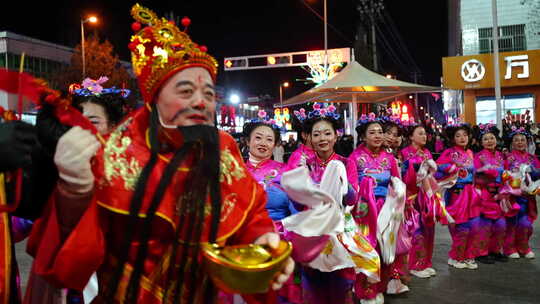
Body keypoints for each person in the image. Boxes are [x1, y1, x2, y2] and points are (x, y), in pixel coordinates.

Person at [28, 4, 293, 304]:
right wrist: (74, 193)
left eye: (208, 94)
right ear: (155, 100)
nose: (200, 102)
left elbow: (249, 214)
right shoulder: (115, 154)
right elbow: (72, 261)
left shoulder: (221, 148)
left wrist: (262, 241)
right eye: (185, 91)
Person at [24, 77, 133, 304]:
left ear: (114, 127)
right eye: (76, 121)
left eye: (93, 121)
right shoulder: (61, 168)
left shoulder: (128, 176)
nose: (82, 129)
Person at [348, 113, 403, 304]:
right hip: (364, 210)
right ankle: (366, 291)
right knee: (367, 249)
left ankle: (382, 286)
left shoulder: (389, 157)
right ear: (363, 136)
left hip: (387, 209)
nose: (378, 135)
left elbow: (397, 183)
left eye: (380, 132)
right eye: (372, 132)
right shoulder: (355, 157)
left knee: (385, 248)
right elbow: (352, 186)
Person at [436, 123, 480, 270]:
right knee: (461, 227)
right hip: (456, 194)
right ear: (453, 139)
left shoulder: (470, 153)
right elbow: (437, 170)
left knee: (474, 226)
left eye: (465, 135)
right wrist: (449, 168)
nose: (462, 138)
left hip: (471, 193)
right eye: (458, 136)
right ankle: (456, 256)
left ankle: (469, 255)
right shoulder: (448, 153)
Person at [401, 124, 440, 278]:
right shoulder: (404, 153)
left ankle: (425, 262)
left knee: (428, 229)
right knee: (416, 231)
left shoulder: (427, 153)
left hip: (427, 196)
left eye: (425, 134)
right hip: (412, 197)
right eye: (421, 133)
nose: (424, 136)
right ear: (411, 136)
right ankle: (415, 265)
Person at [473, 124, 508, 264]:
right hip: (485, 195)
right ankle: (481, 252)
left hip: (500, 195)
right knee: (485, 225)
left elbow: (506, 174)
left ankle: (496, 250)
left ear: (496, 140)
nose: (489, 141)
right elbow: (476, 176)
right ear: (481, 142)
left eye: (491, 138)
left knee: (500, 225)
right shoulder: (478, 156)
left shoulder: (501, 156)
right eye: (486, 139)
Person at [503, 127, 539, 259]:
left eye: (522, 140)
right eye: (516, 140)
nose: (520, 142)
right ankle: (509, 248)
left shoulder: (533, 158)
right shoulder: (507, 158)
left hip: (528, 197)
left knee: (526, 224)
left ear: (527, 142)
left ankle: (524, 247)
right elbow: (504, 176)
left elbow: (537, 176)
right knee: (511, 224)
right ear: (512, 143)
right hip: (513, 197)